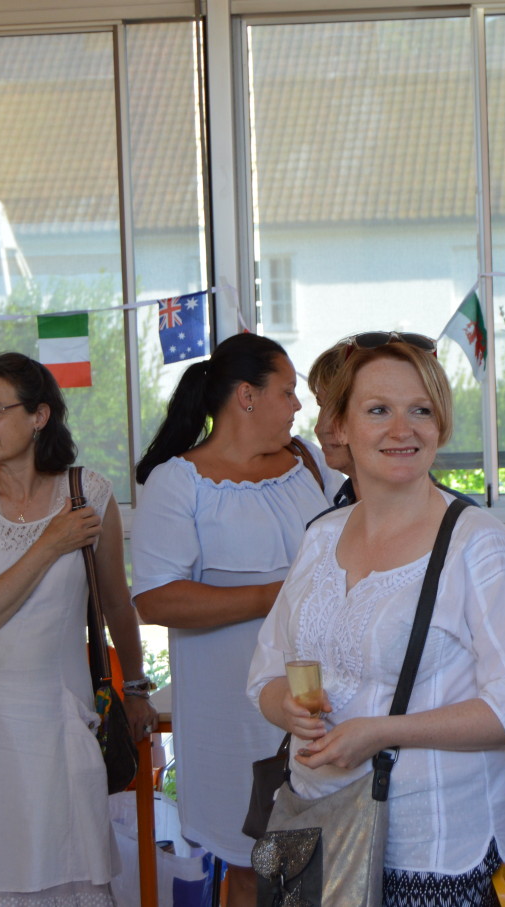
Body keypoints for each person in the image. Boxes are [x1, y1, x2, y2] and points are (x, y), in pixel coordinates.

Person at [247, 336, 505, 905]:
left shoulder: (478, 546)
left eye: (421, 410)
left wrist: (383, 732)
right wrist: (283, 706)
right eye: (378, 410)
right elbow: (265, 672)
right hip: (316, 833)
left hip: (432, 853)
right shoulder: (321, 538)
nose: (402, 429)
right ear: (339, 425)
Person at [0, 352, 155, 905]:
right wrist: (49, 544)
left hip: (52, 710)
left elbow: (116, 603)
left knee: (64, 858)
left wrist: (135, 687)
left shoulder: (90, 493)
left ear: (39, 416)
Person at [130, 333, 340, 907]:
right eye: (287, 391)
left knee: (322, 859)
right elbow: (156, 600)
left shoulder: (308, 462)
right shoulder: (178, 481)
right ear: (247, 396)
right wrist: (278, 595)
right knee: (253, 863)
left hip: (319, 695)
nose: (297, 404)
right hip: (230, 707)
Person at [306, 332, 477, 515]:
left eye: (421, 410)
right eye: (322, 406)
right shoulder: (325, 527)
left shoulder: (466, 524)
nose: (323, 428)